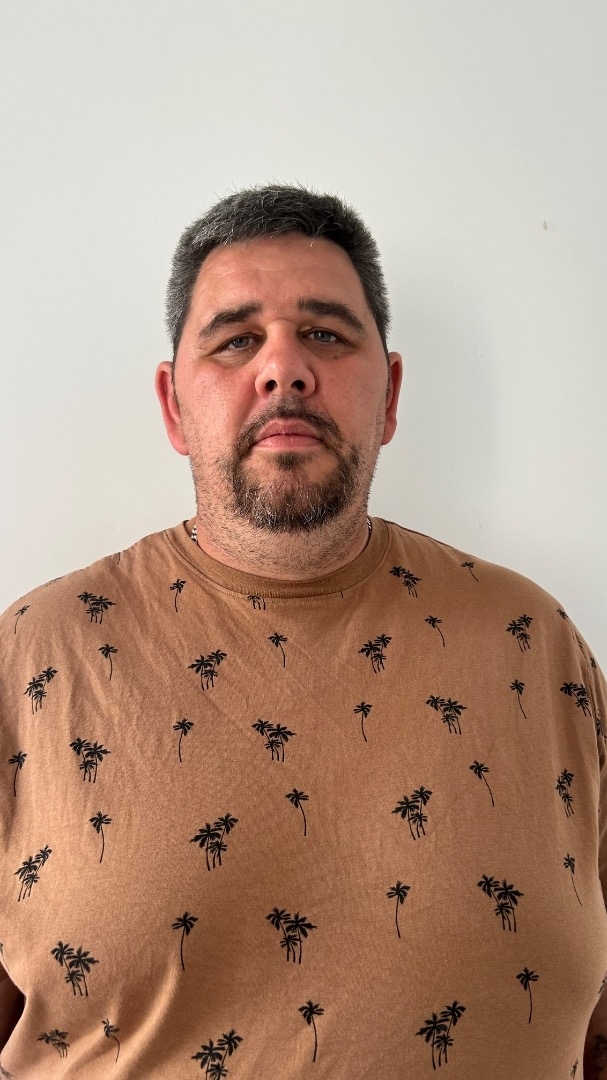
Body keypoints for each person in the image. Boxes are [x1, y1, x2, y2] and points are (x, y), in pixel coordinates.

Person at [0, 185, 605, 1080]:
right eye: (235, 340)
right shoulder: (30, 656)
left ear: (389, 397)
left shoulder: (535, 644)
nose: (282, 369)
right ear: (172, 406)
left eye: (324, 333)